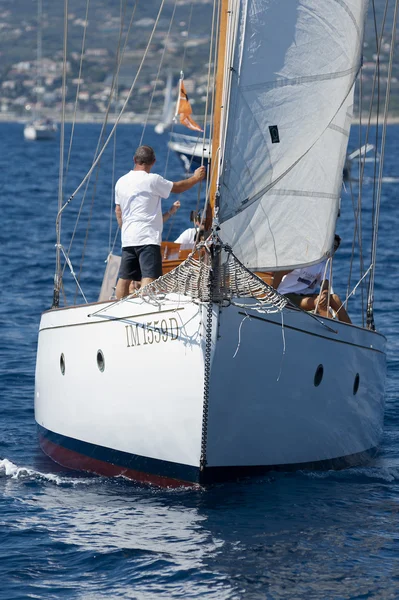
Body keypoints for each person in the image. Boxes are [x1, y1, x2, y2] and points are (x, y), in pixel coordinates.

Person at [115, 145, 206, 299]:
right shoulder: (153, 180)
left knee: (124, 278)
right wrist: (196, 178)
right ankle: (143, 310)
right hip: (147, 239)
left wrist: (125, 230)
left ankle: (118, 309)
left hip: (128, 239)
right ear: (154, 161)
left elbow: (118, 211)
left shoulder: (121, 182)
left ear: (134, 160)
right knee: (149, 276)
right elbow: (177, 188)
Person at [275, 234, 352, 324]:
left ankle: (352, 333)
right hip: (286, 295)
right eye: (330, 246)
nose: (331, 249)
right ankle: (336, 332)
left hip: (304, 297)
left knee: (334, 298)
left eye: (334, 247)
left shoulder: (323, 265)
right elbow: (279, 274)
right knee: (319, 303)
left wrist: (325, 294)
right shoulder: (302, 259)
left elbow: (325, 285)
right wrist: (273, 296)